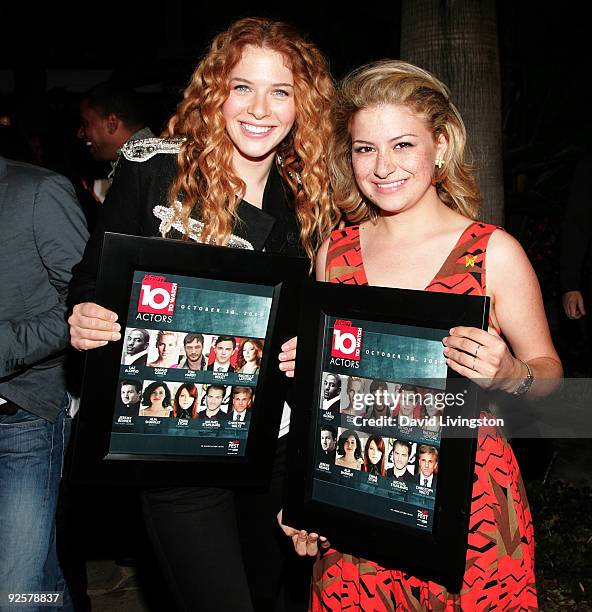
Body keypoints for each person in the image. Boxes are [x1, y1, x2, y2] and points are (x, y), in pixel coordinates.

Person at [68, 17, 338, 611]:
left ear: (304, 105)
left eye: (281, 91)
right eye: (242, 86)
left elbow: (326, 313)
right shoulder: (155, 170)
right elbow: (94, 275)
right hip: (176, 439)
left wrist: (309, 346)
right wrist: (85, 313)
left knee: (268, 597)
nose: (259, 108)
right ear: (215, 90)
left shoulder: (314, 199)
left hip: (277, 444)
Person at [280, 60, 562, 610]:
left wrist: (513, 375)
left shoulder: (492, 252)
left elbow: (550, 375)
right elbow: (326, 404)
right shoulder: (333, 255)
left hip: (470, 507)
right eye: (365, 149)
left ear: (440, 143)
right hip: (359, 490)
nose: (383, 167)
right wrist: (306, 498)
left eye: (403, 145)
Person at [0, 155, 88, 603]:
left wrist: (6, 347)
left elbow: (87, 306)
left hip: (23, 419)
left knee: (12, 591)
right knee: (40, 575)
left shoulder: (38, 191)